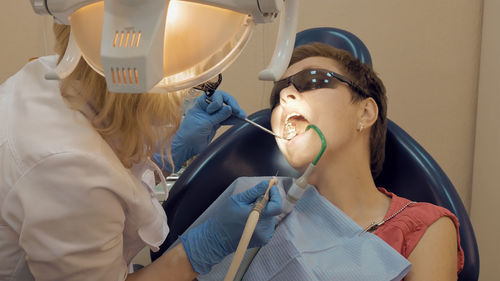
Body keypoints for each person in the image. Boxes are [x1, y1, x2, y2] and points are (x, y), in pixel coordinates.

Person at [0, 22, 282, 281]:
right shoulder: (69, 173)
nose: (188, 92)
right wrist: (206, 246)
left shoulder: (58, 72)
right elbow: (88, 177)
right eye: (191, 82)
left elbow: (102, 154)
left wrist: (163, 154)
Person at [267, 42, 464, 280]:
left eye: (312, 81)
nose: (285, 96)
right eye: (277, 97)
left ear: (366, 112)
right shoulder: (265, 220)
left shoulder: (425, 228)